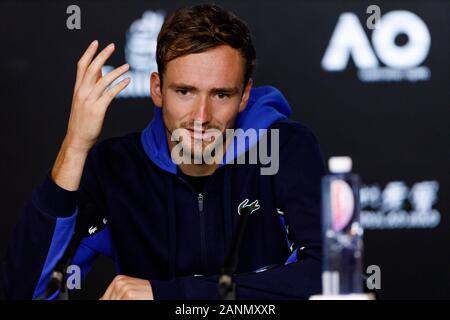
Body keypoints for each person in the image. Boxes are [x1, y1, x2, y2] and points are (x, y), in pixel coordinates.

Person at [0, 4, 325, 300]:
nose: (201, 117)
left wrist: (166, 295)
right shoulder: (115, 167)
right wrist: (75, 146)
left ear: (244, 96)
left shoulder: (283, 149)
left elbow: (328, 280)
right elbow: (26, 293)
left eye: (221, 95)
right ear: (157, 89)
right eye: (185, 91)